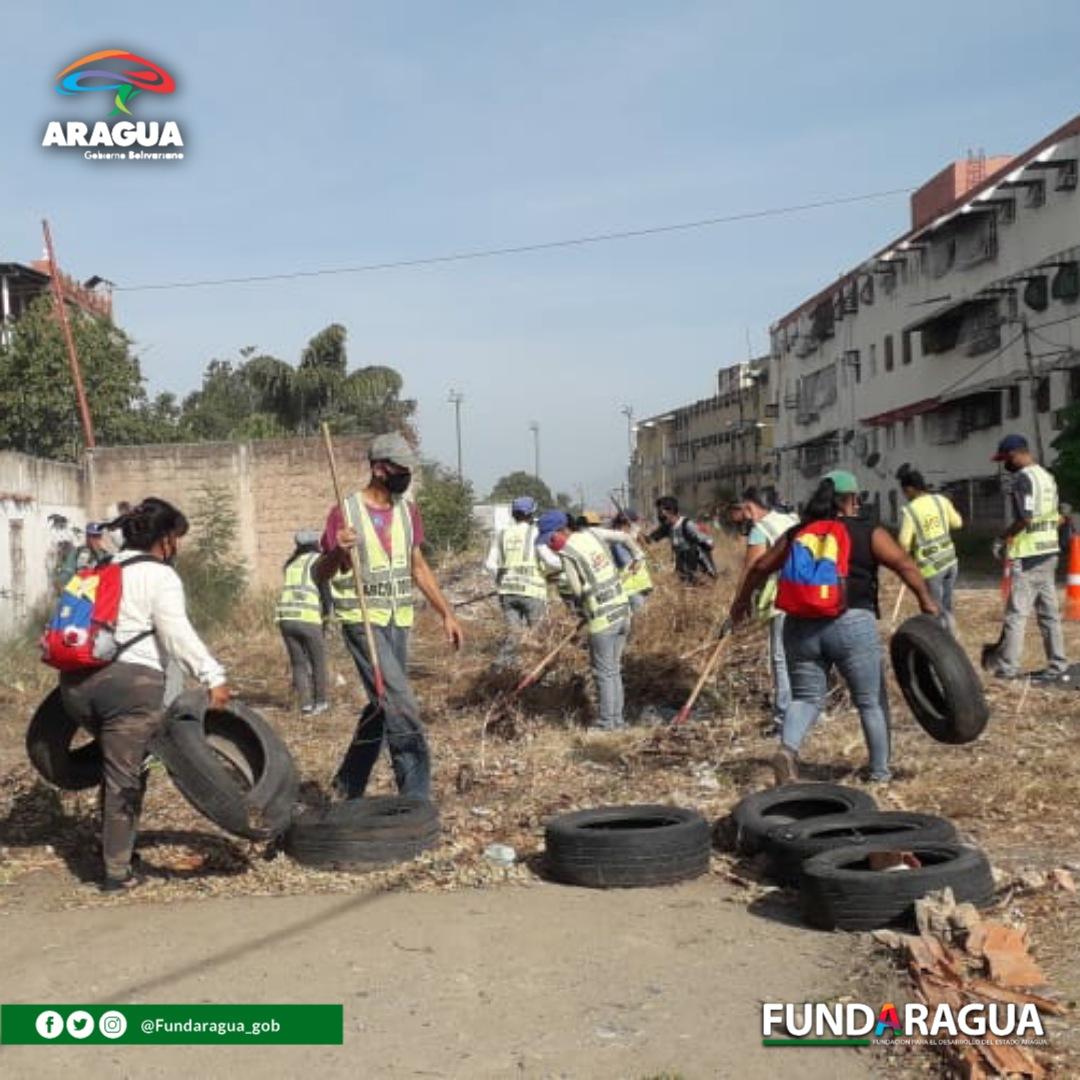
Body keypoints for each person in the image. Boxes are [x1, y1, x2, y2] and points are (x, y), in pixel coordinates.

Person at [57, 498, 230, 892]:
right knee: (125, 777)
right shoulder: (160, 576)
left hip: (75, 687)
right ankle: (117, 872)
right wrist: (212, 675)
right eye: (178, 539)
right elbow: (176, 632)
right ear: (166, 540)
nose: (178, 547)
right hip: (129, 688)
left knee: (119, 764)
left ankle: (117, 845)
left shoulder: (102, 567)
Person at [729, 471, 939, 785]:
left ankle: (787, 750)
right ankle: (880, 773)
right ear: (852, 499)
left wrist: (740, 603)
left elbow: (760, 566)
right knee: (870, 700)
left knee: (805, 698)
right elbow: (904, 564)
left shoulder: (800, 531)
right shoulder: (867, 531)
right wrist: (927, 602)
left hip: (799, 626)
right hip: (851, 622)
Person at [314, 433, 464, 800]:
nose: (406, 475)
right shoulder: (345, 513)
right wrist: (337, 551)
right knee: (402, 704)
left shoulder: (407, 512)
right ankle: (415, 798)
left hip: (399, 620)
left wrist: (447, 613)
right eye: (401, 469)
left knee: (383, 707)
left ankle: (346, 787)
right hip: (363, 622)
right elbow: (321, 574)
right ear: (380, 469)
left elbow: (418, 567)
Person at [985, 434, 1070, 684]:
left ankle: (1007, 668)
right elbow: (1055, 516)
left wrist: (1001, 539)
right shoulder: (1047, 477)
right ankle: (1057, 663)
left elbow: (1026, 518)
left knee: (1016, 614)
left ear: (1014, 455)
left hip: (1029, 554)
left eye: (1004, 460)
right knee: (1049, 613)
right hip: (1049, 550)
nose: (1004, 465)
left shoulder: (1023, 480)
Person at [536, 510, 631, 730]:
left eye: (551, 538)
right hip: (622, 611)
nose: (550, 544)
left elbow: (577, 590)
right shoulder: (592, 536)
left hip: (602, 619)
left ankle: (607, 723)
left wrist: (584, 608)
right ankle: (617, 721)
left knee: (603, 672)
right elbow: (623, 542)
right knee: (614, 670)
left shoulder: (568, 551)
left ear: (562, 530)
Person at [730, 488, 799, 732]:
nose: (745, 518)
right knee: (802, 657)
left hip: (781, 600)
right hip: (807, 597)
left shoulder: (761, 530)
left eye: (744, 511)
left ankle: (784, 719)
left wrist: (739, 604)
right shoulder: (792, 520)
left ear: (750, 507)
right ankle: (809, 712)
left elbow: (752, 570)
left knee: (781, 658)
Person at [896, 468, 963, 635]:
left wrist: (904, 561)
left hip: (931, 568)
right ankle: (950, 634)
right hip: (950, 561)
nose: (904, 495)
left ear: (910, 489)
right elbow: (957, 523)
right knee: (946, 605)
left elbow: (903, 543)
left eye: (904, 491)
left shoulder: (911, 510)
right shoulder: (941, 500)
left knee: (934, 609)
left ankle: (944, 642)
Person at [485, 496, 547, 666]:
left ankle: (501, 669)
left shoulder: (502, 533)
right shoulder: (537, 533)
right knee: (538, 634)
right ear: (532, 513)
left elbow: (490, 564)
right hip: (533, 591)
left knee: (514, 634)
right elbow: (547, 561)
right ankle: (539, 672)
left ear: (514, 514)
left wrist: (501, 580)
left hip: (507, 592)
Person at [276, 529, 332, 715]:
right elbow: (325, 593)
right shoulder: (319, 561)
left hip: (286, 618)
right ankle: (321, 702)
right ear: (316, 543)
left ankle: (306, 704)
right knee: (318, 662)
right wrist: (326, 618)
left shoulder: (290, 564)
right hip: (308, 618)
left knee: (298, 663)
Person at [648, 495, 717, 583]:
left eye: (661, 512)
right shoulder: (667, 527)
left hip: (698, 568)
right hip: (682, 569)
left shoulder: (687, 525)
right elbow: (650, 539)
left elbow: (708, 542)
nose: (659, 516)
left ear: (671, 511)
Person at [610, 511, 653, 613]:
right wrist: (632, 538)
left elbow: (647, 547)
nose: (637, 526)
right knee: (639, 620)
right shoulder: (617, 540)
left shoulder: (629, 539)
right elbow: (625, 561)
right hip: (631, 588)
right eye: (635, 523)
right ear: (627, 524)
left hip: (641, 585)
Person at [55, 521, 112, 586]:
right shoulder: (78, 552)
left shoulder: (105, 555)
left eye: (98, 536)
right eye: (92, 536)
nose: (95, 540)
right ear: (87, 537)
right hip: (79, 589)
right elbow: (66, 574)